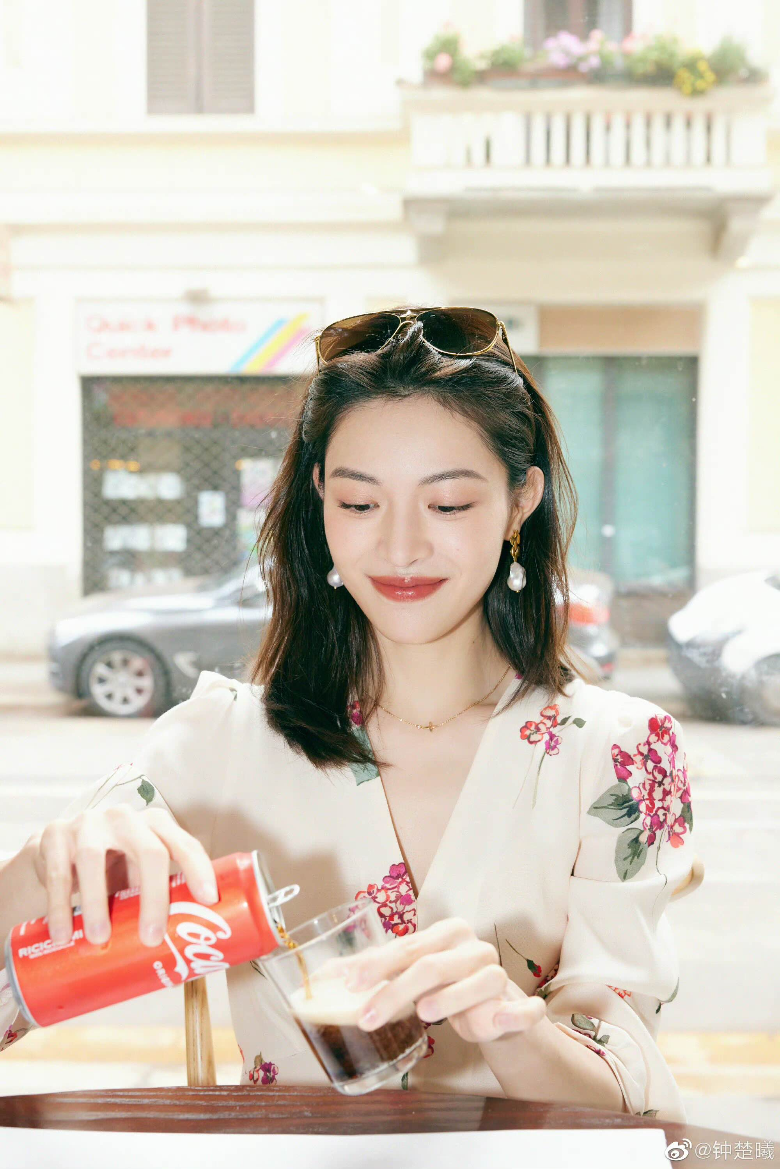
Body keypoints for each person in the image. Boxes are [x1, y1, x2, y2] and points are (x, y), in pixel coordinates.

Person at [0, 306, 694, 1118]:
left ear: (520, 502)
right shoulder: (220, 744)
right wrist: (40, 870)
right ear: (321, 500)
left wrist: (511, 1022)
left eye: (448, 505)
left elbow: (632, 1098)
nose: (400, 548)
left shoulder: (618, 750)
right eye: (360, 505)